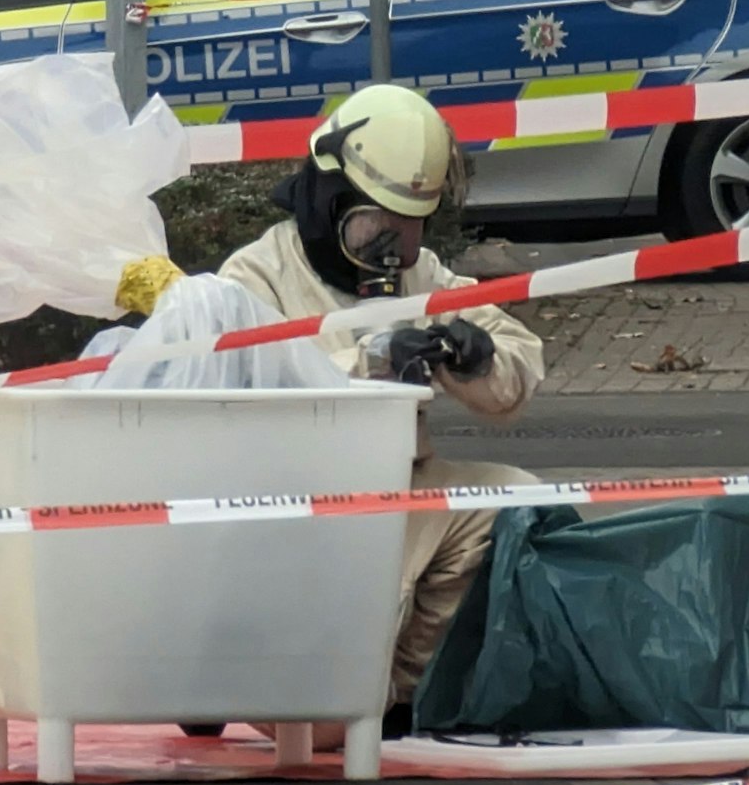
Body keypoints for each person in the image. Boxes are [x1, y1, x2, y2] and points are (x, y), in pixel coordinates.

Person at [217, 84, 546, 738]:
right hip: (295, 516)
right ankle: (271, 689)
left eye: (415, 222)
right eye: (386, 221)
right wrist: (366, 360)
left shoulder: (421, 277)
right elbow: (243, 405)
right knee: (323, 727)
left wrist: (474, 357)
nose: (402, 243)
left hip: (398, 492)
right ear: (334, 197)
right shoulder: (252, 281)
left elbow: (519, 371)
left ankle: (400, 694)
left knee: (517, 500)